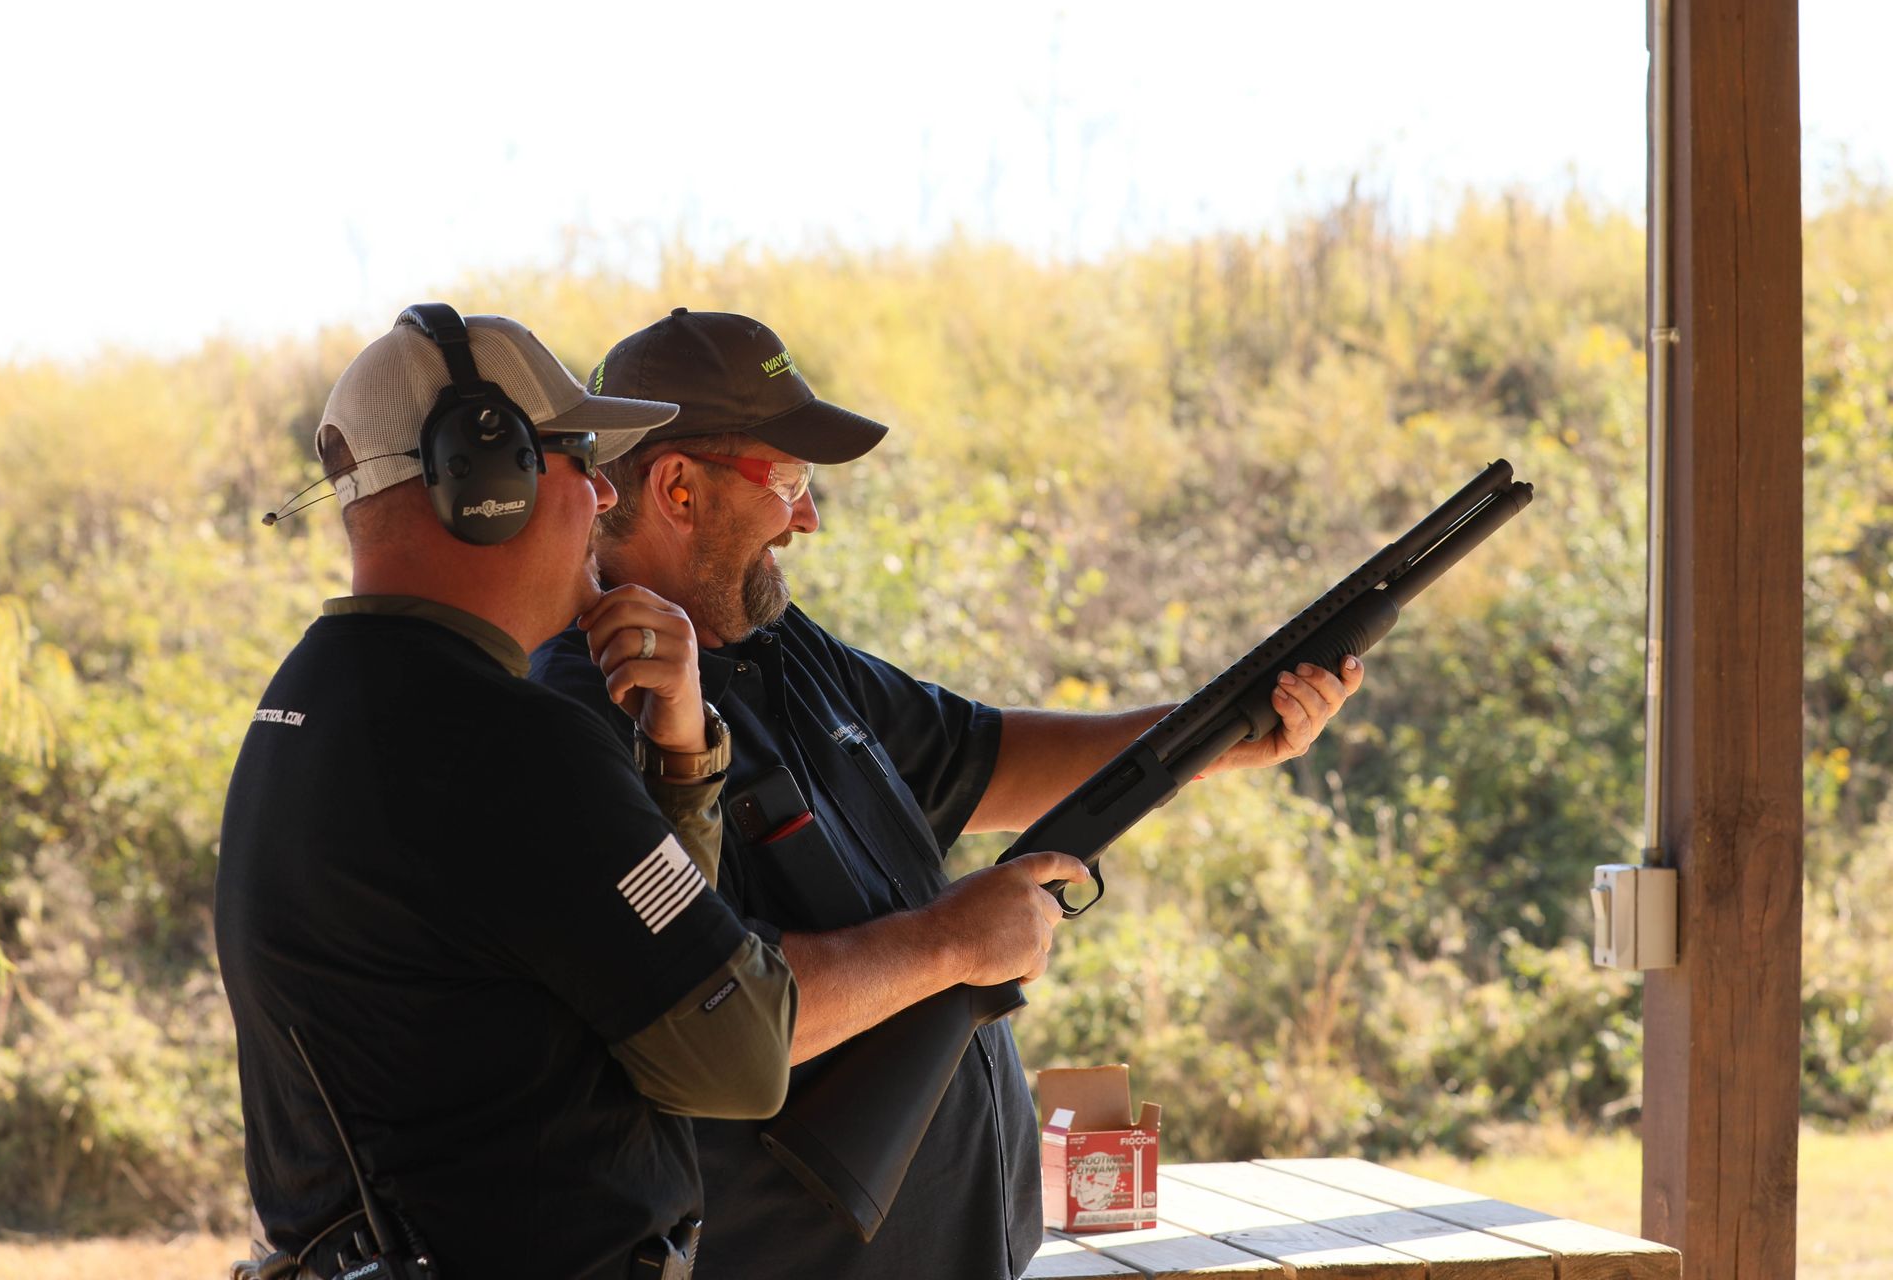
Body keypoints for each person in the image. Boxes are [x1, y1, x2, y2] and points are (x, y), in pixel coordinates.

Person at [530, 309, 1363, 1280]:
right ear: (677, 486)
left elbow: (988, 752)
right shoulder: (589, 710)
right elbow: (695, 996)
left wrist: (1223, 731)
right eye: (790, 483)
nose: (808, 518)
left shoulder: (778, 648)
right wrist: (952, 941)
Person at [217, 306, 795, 1279]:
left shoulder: (308, 698)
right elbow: (739, 1057)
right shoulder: (506, 745)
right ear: (488, 481)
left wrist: (677, 751)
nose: (607, 491)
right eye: (580, 455)